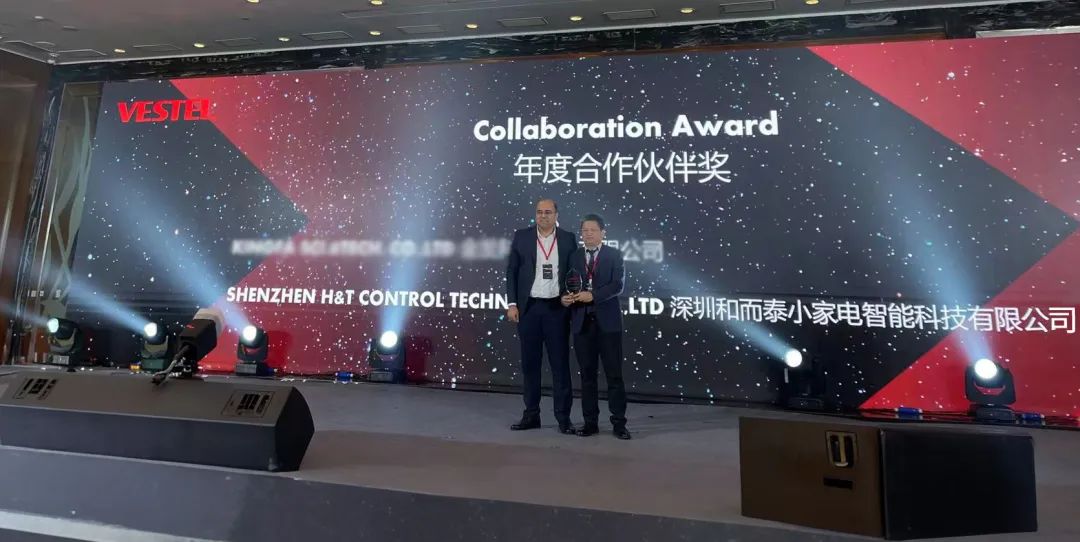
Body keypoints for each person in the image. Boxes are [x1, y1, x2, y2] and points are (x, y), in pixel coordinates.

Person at [506, 198, 578, 434]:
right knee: (530, 365)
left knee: (560, 365)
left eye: (548, 212)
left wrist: (570, 295)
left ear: (556, 215)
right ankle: (531, 414)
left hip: (557, 309)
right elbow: (512, 271)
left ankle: (563, 418)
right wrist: (512, 303)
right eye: (539, 212)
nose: (543, 216)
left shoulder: (567, 238)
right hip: (529, 309)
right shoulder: (522, 236)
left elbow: (573, 273)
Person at [562, 214, 630, 439]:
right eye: (585, 230)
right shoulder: (574, 256)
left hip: (608, 324)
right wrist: (565, 298)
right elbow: (566, 284)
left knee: (614, 376)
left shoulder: (614, 254)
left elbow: (617, 285)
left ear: (603, 232)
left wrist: (593, 295)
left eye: (592, 230)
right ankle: (590, 422)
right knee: (587, 376)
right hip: (582, 323)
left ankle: (619, 424)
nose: (588, 234)